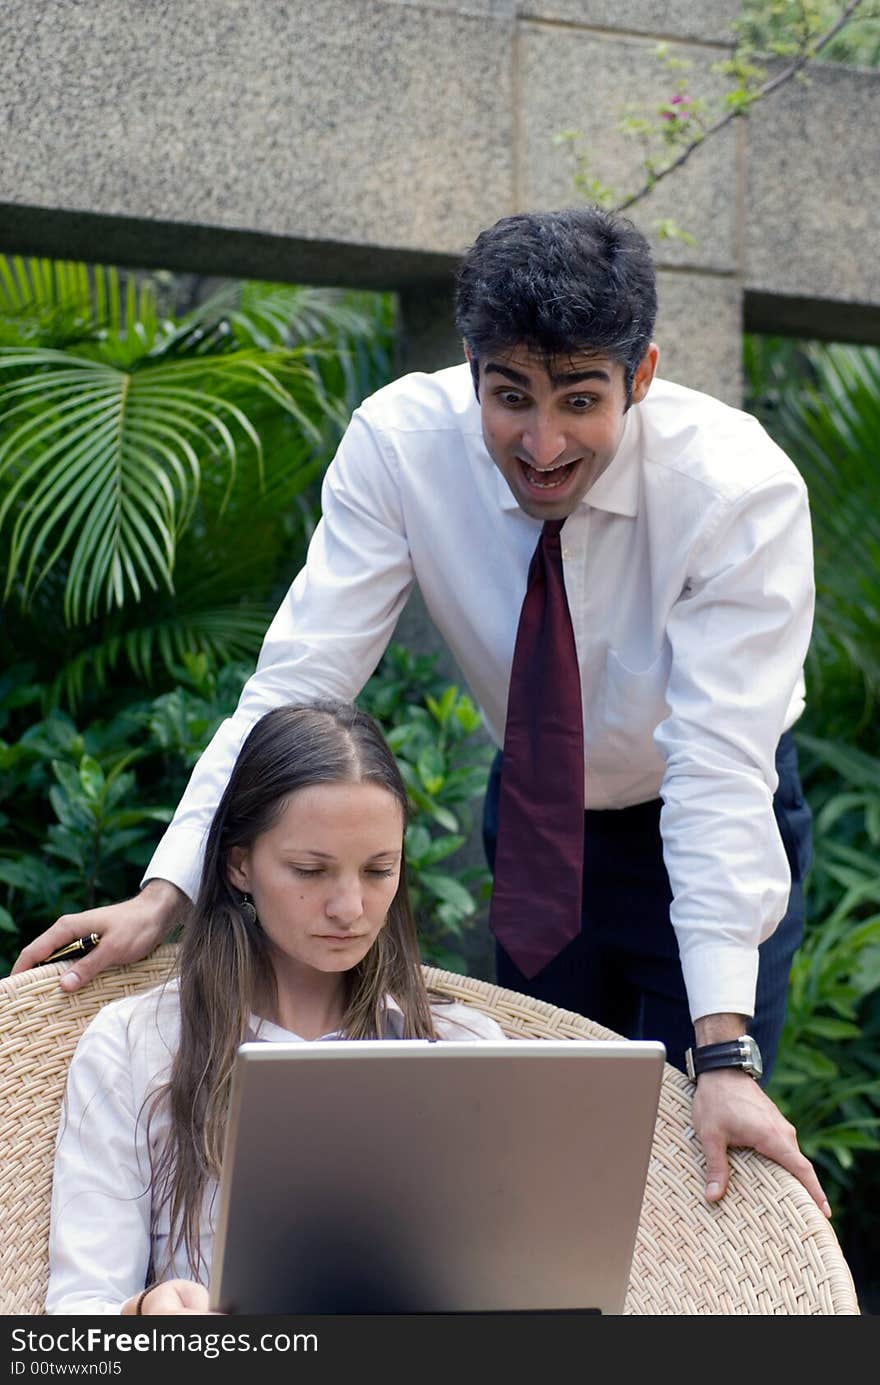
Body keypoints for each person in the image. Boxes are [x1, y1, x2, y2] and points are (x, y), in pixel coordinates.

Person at [19, 206, 828, 1217]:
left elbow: (717, 773)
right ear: (470, 366)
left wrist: (725, 1049)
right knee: (539, 1154)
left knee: (692, 1165)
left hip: (709, 819)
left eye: (580, 399)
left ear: (644, 374)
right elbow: (295, 687)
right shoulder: (400, 445)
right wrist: (166, 887)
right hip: (537, 814)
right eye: (509, 397)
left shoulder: (736, 489)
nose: (542, 443)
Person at [45, 700, 504, 1315]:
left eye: (379, 870)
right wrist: (145, 1314)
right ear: (239, 863)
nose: (350, 907)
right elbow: (78, 1322)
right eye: (310, 870)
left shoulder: (465, 1047)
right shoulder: (138, 1045)